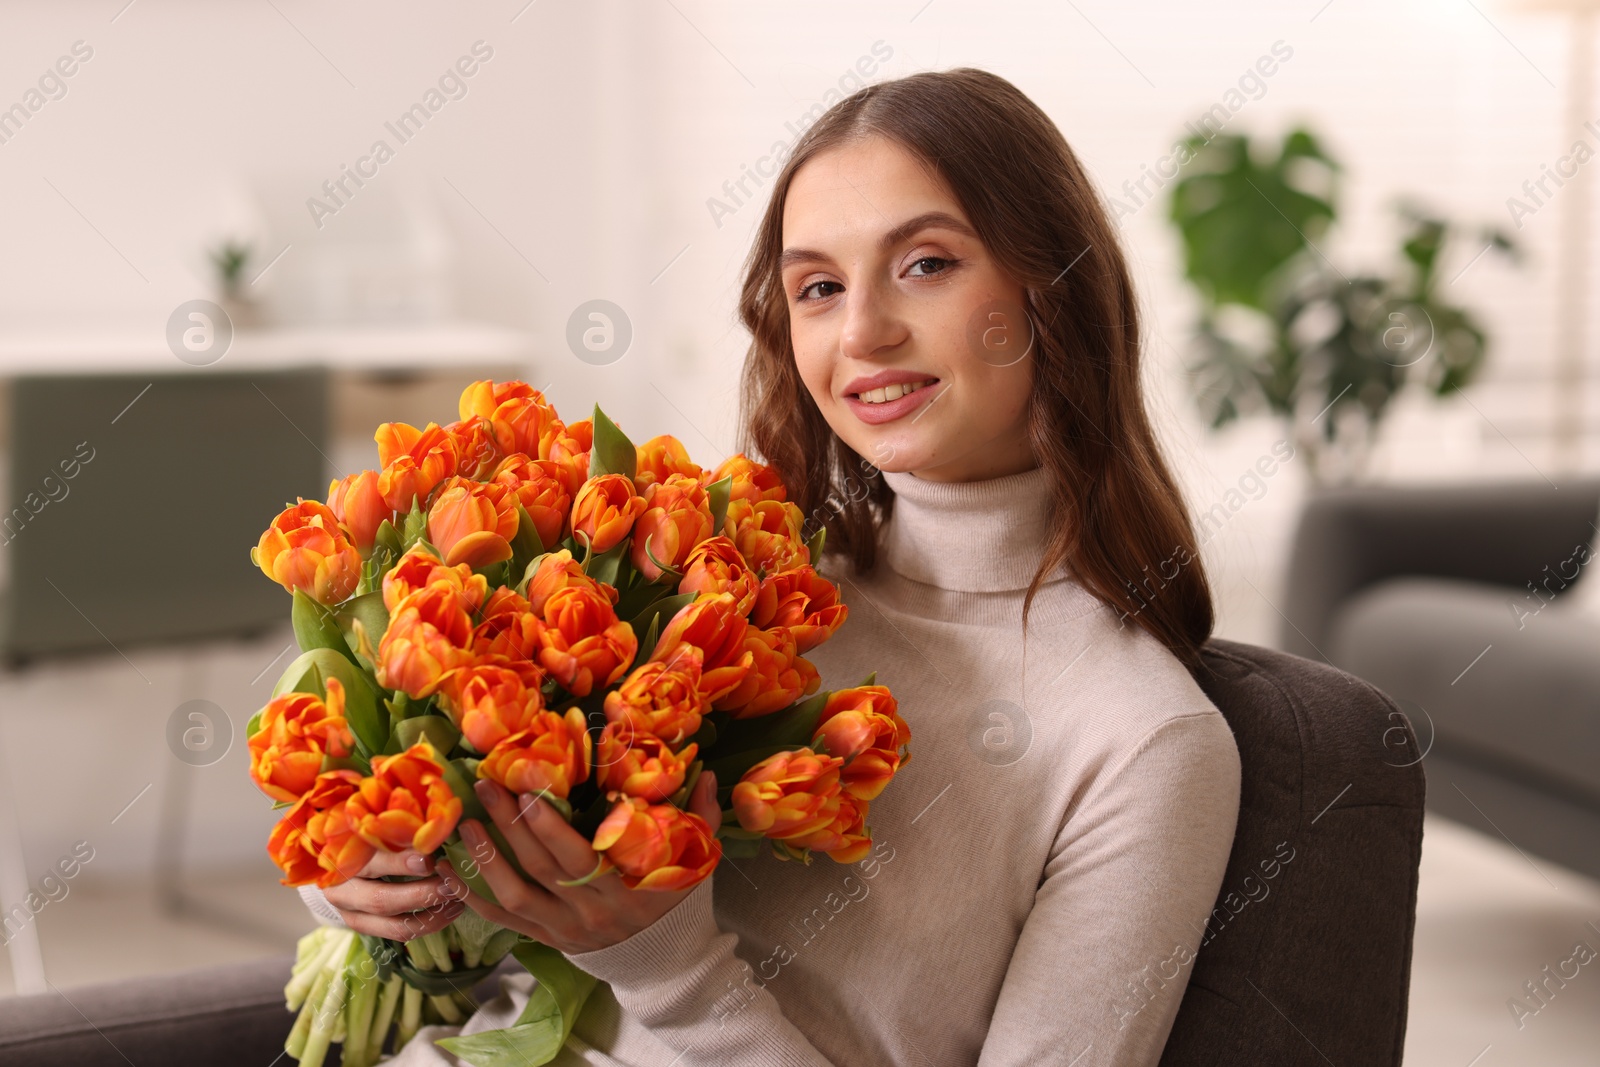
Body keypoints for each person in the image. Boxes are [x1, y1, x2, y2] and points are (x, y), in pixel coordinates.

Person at [299, 66, 1241, 1066]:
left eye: (924, 263)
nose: (863, 331)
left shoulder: (1145, 740)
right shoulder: (720, 594)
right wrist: (379, 877)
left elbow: (644, 965)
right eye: (819, 287)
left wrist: (667, 967)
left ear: (1053, 284)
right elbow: (506, 947)